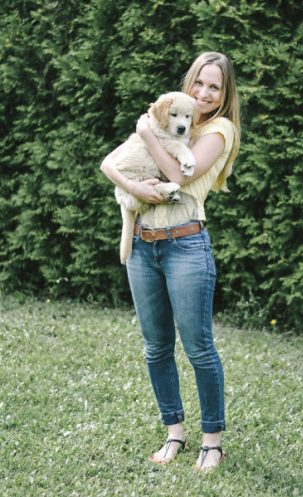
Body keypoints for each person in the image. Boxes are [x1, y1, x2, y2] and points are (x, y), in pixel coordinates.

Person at [100, 51, 240, 471]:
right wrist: (131, 185)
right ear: (188, 83)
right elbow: (116, 165)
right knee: (156, 347)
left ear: (224, 93)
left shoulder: (219, 129)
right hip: (143, 244)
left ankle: (211, 442)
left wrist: (146, 136)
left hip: (185, 245)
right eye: (198, 83)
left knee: (199, 348)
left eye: (214, 86)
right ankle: (174, 432)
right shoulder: (173, 117)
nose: (203, 93)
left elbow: (180, 177)